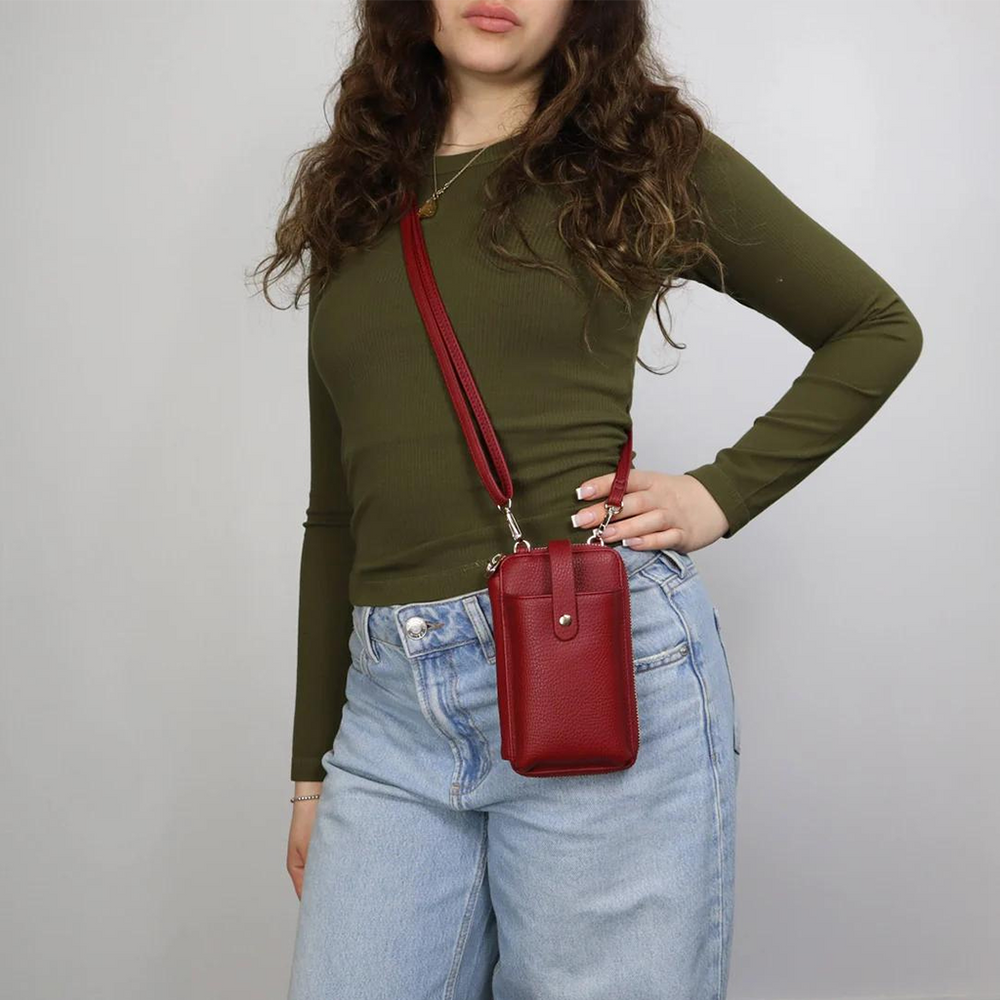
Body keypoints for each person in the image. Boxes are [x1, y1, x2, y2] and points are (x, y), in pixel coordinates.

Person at [253, 2, 922, 997]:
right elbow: (336, 511)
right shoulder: (354, 198)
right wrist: (312, 769)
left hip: (596, 664)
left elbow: (875, 325)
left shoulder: (640, 159)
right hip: (392, 714)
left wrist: (719, 494)